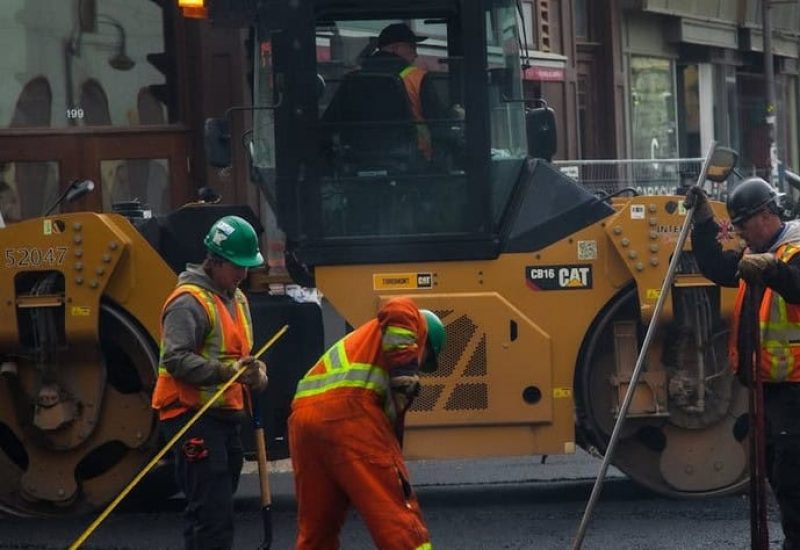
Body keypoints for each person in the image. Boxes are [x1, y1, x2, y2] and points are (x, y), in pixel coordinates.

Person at [686, 178, 800, 549]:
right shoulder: (759, 252)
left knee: (793, 476)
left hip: (795, 388)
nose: (741, 234)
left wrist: (773, 271)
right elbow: (719, 267)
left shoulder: (792, 251)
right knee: (778, 473)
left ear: (766, 215)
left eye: (743, 225)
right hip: (771, 387)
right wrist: (703, 223)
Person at [288, 296, 446, 549]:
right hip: (350, 414)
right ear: (424, 340)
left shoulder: (362, 346)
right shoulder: (415, 322)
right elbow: (398, 306)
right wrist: (406, 369)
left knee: (318, 527)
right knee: (395, 514)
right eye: (425, 359)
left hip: (303, 420)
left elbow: (389, 433)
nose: (420, 365)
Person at [151, 215, 269, 550]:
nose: (243, 274)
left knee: (214, 502)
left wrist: (255, 371)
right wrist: (225, 372)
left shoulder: (236, 297)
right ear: (214, 261)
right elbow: (174, 359)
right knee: (213, 514)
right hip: (189, 415)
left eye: (247, 266)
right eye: (237, 266)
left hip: (221, 415)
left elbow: (239, 353)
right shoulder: (188, 302)